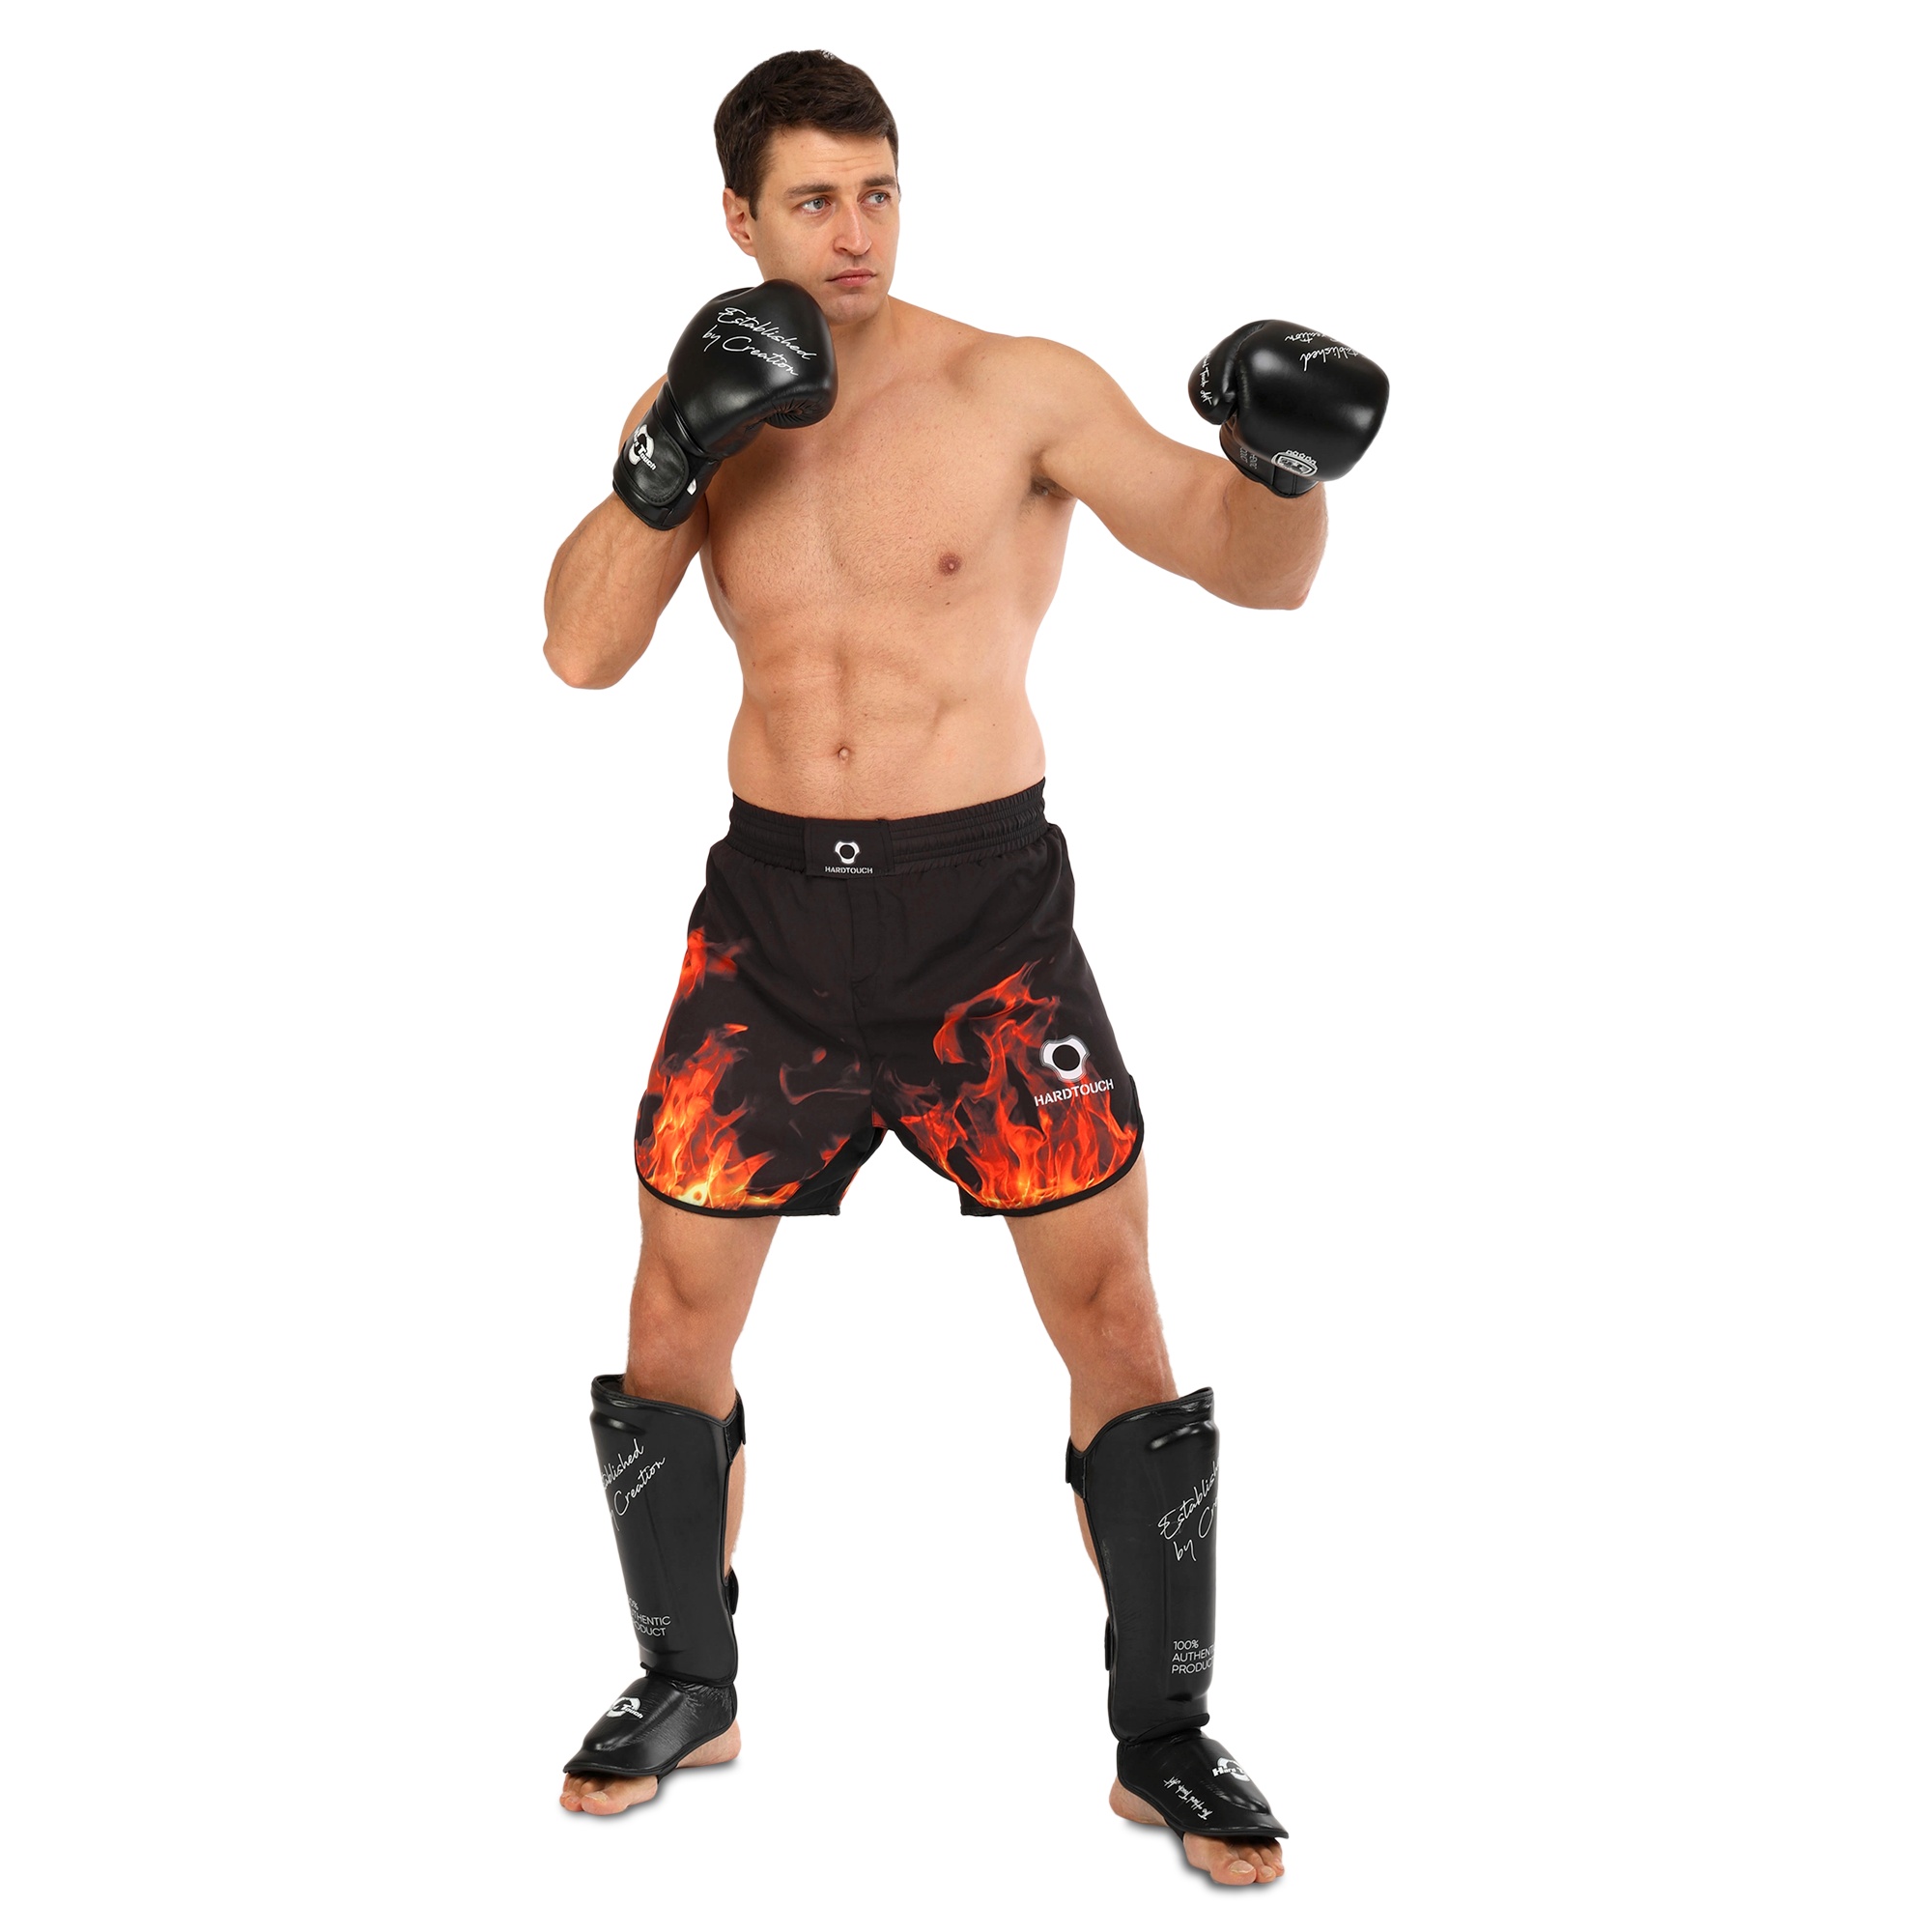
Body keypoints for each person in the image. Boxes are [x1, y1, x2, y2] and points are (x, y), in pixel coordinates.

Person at [541, 49, 1386, 1886]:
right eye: (812, 201)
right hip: (770, 927)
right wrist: (669, 458)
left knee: (1113, 1315)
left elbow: (1254, 569)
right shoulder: (702, 398)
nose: (853, 234)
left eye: (879, 192)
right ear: (739, 217)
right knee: (672, 1320)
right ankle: (687, 1685)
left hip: (986, 928)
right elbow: (582, 651)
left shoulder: (1017, 389)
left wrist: (1284, 470)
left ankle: (1165, 1738)